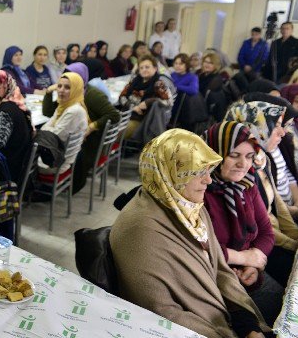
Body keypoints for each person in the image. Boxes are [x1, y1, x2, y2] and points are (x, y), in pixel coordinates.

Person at [111, 129, 268, 338]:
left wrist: (247, 323)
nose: (209, 180)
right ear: (170, 173)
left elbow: (220, 269)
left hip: (224, 319)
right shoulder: (140, 231)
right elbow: (163, 313)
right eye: (198, 172)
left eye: (208, 170)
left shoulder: (189, 207)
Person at [202, 122, 283, 326]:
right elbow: (197, 249)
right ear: (213, 153)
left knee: (280, 305)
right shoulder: (200, 190)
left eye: (249, 156)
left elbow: (266, 233)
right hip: (213, 280)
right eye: (234, 155)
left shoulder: (246, 184)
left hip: (248, 274)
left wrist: (252, 264)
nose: (243, 164)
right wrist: (244, 257)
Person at [225, 100, 298, 286]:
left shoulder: (261, 158)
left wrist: (295, 236)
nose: (283, 132)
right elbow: (260, 222)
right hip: (258, 243)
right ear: (257, 128)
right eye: (277, 126)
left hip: (271, 236)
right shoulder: (240, 171)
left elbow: (277, 207)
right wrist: (293, 245)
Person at [43, 62, 120, 193]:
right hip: (75, 136)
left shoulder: (92, 95)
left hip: (90, 141)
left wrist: (92, 127)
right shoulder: (69, 95)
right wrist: (49, 92)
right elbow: (49, 113)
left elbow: (114, 115)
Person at [38, 72, 87, 175]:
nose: (61, 90)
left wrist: (45, 131)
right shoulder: (64, 105)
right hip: (57, 154)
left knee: (21, 159)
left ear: (76, 90)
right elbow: (47, 128)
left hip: (57, 163)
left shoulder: (74, 111)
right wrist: (46, 131)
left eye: (67, 87)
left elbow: (55, 135)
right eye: (59, 86)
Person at [118, 55, 173, 140]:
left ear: (155, 68)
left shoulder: (159, 84)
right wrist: (133, 107)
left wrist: (149, 102)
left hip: (141, 121)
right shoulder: (135, 80)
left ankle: (109, 151)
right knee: (106, 126)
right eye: (141, 68)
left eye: (147, 67)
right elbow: (122, 97)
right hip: (127, 114)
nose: (144, 69)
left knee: (115, 133)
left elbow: (169, 102)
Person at [199, 52, 228, 122]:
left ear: (215, 65)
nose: (207, 64)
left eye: (211, 63)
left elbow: (206, 96)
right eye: (205, 62)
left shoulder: (216, 79)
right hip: (198, 104)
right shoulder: (201, 75)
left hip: (206, 109)